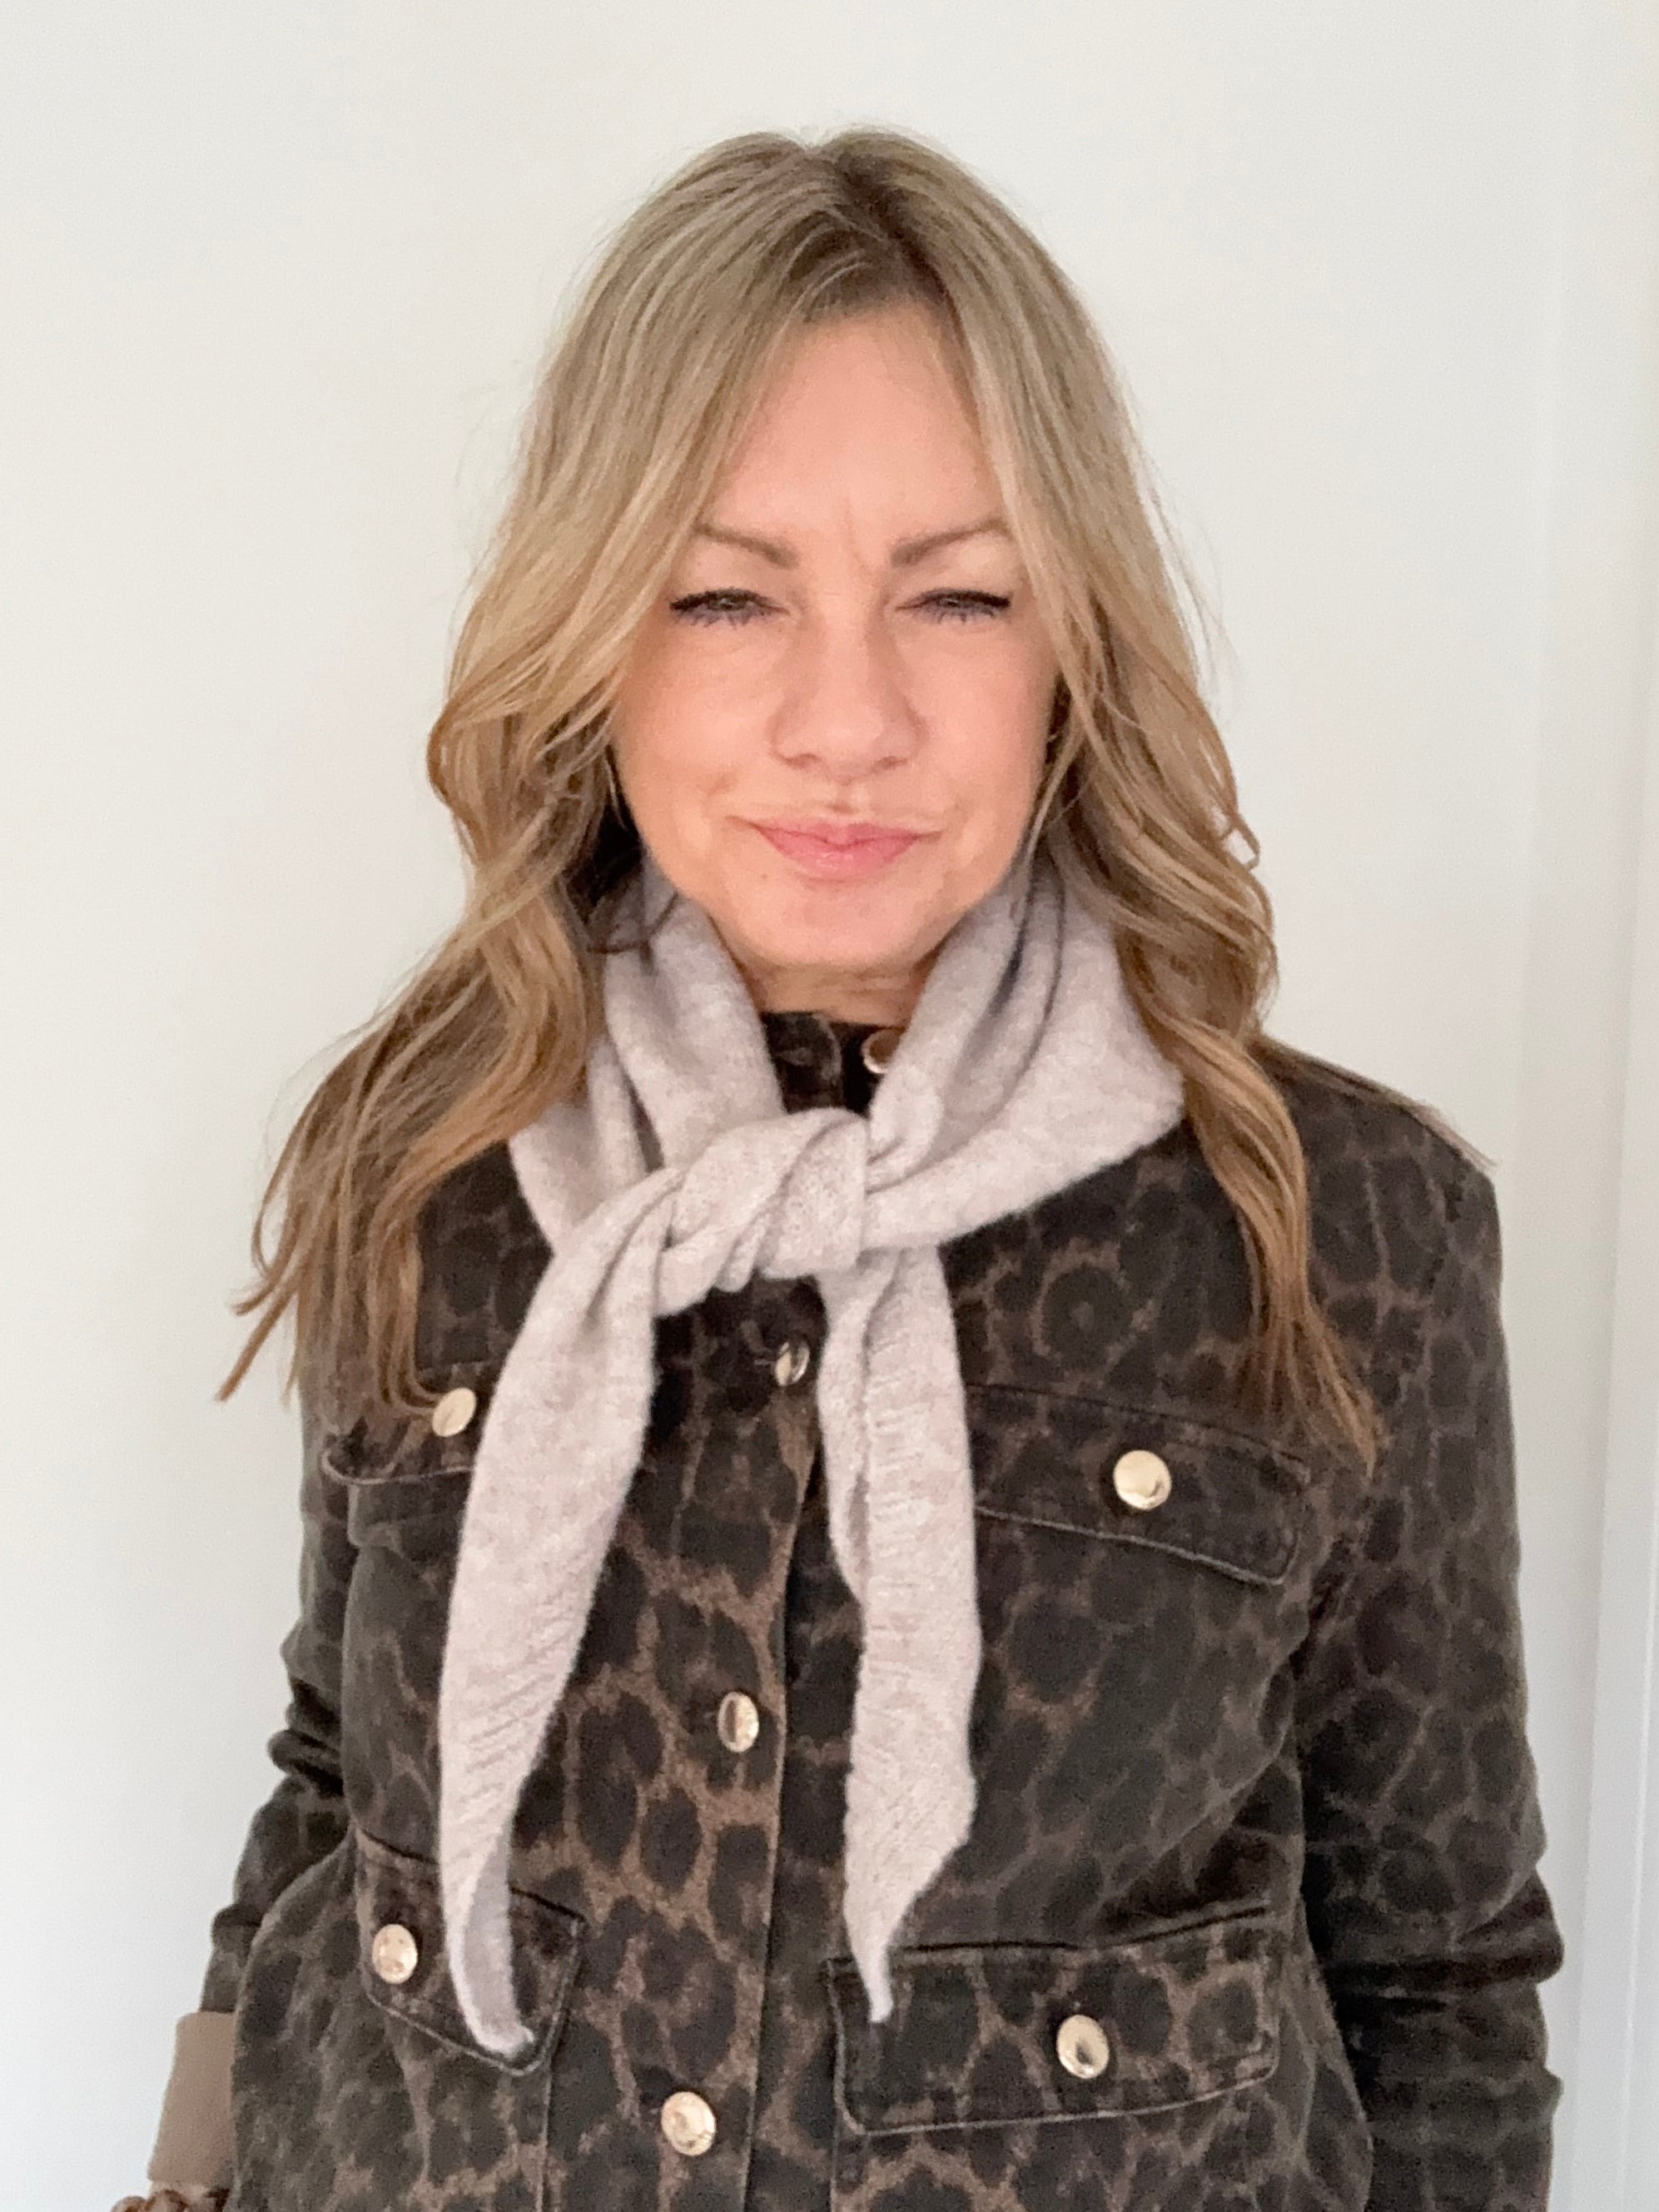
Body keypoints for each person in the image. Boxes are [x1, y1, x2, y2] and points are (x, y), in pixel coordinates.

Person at [119, 124, 1564, 2212]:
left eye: (956, 594)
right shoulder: (423, 1154)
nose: (845, 719)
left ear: (1071, 644)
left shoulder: (1341, 1233)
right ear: (593, 635)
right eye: (726, 593)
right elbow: (335, 1792)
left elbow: (1435, 1975)